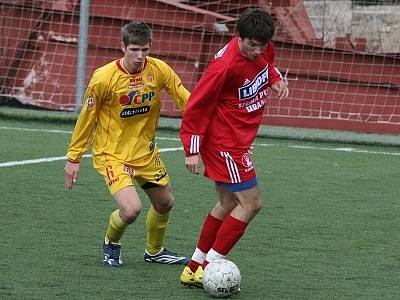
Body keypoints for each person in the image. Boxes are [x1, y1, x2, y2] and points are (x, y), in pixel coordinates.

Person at [64, 20, 189, 267]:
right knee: (131, 209)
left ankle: (155, 251)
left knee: (165, 203)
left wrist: (207, 129)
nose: (140, 56)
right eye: (134, 49)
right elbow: (86, 119)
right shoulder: (103, 78)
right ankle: (112, 244)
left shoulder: (159, 69)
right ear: (122, 47)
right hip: (112, 154)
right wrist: (73, 157)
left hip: (145, 152)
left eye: (145, 49)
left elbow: (186, 100)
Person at [179, 7, 289, 286]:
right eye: (251, 45)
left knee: (228, 202)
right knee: (252, 204)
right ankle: (209, 267)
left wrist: (275, 79)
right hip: (225, 144)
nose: (256, 51)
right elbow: (196, 107)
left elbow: (267, 63)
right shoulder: (223, 66)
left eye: (261, 46)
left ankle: (193, 266)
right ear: (239, 36)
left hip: (237, 140)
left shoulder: (263, 46)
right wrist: (191, 149)